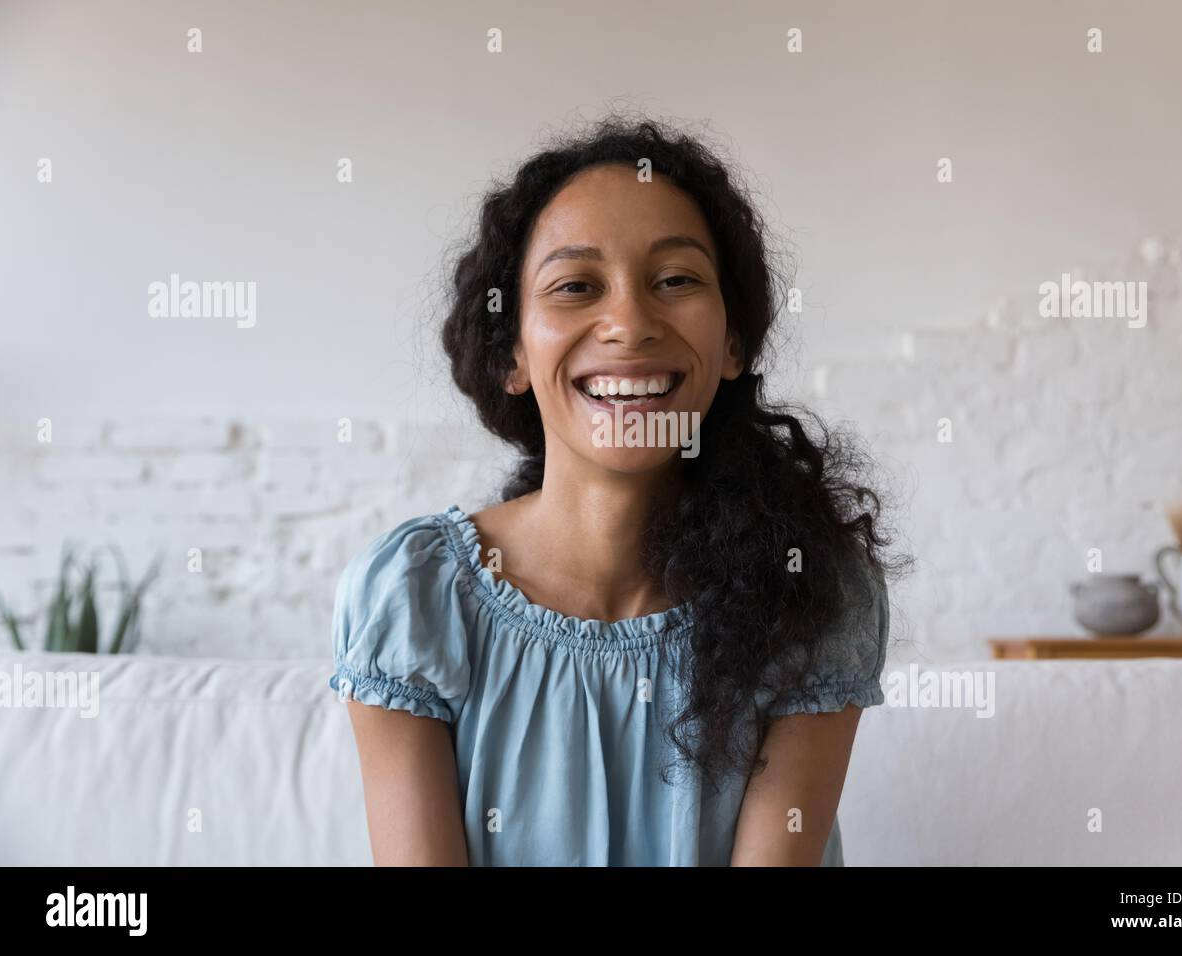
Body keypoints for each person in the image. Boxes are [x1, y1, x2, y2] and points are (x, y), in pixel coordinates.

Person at [330, 115, 901, 866]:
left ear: (732, 343)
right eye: (575, 286)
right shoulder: (414, 598)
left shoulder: (812, 592)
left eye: (675, 281)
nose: (629, 323)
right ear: (512, 355)